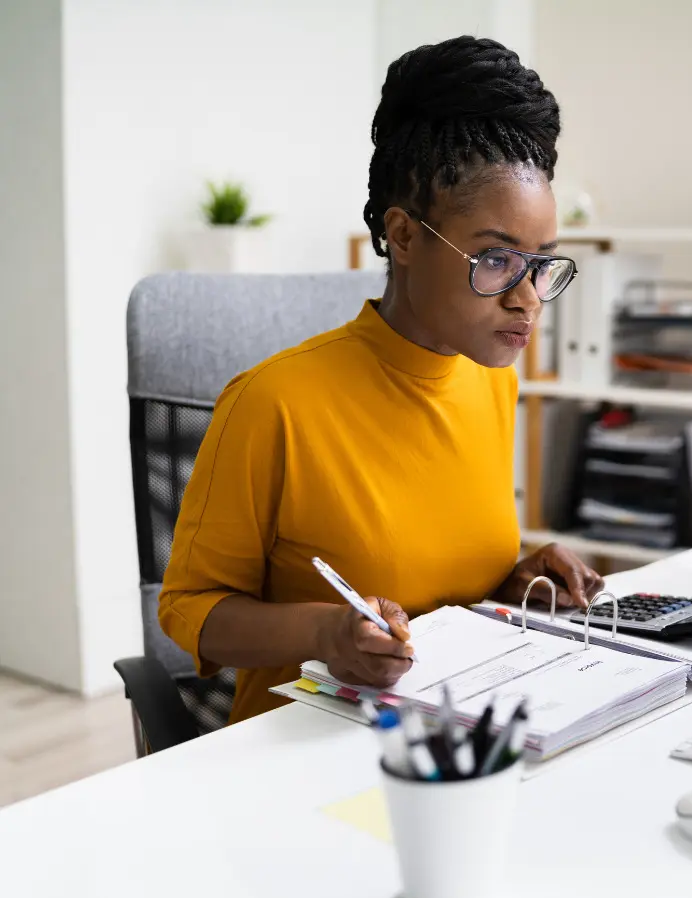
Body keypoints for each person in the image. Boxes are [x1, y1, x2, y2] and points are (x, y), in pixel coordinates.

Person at [159, 35, 603, 726]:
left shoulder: (491, 379)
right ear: (403, 235)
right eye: (494, 261)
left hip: (453, 729)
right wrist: (324, 633)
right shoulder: (273, 402)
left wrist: (517, 579)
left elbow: (441, 574)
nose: (528, 299)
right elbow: (188, 610)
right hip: (301, 745)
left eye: (542, 264)